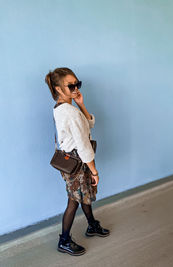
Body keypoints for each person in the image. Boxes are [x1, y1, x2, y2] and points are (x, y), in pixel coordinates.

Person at [45, 67, 110, 256]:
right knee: (74, 200)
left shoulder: (62, 107)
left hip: (71, 162)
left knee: (83, 194)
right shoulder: (69, 113)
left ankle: (92, 225)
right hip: (77, 163)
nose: (76, 89)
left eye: (77, 84)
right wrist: (95, 171)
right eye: (71, 85)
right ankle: (64, 240)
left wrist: (81, 103)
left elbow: (88, 123)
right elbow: (83, 146)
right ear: (58, 89)